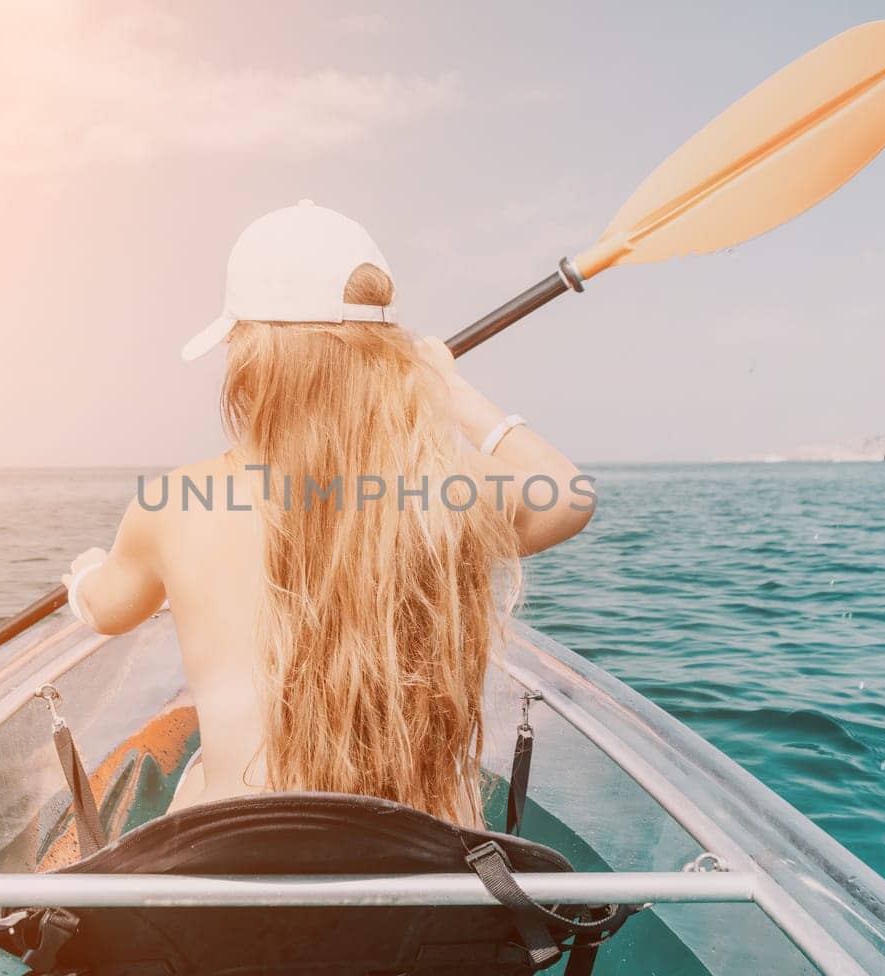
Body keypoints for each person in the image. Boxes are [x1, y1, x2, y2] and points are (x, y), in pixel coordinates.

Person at [63, 201, 593, 829]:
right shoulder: (445, 495)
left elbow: (107, 610)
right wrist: (454, 394)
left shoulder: (177, 502)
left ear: (252, 358)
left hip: (242, 866)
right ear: (390, 358)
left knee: (199, 784)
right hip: (419, 871)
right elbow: (566, 495)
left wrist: (84, 574)